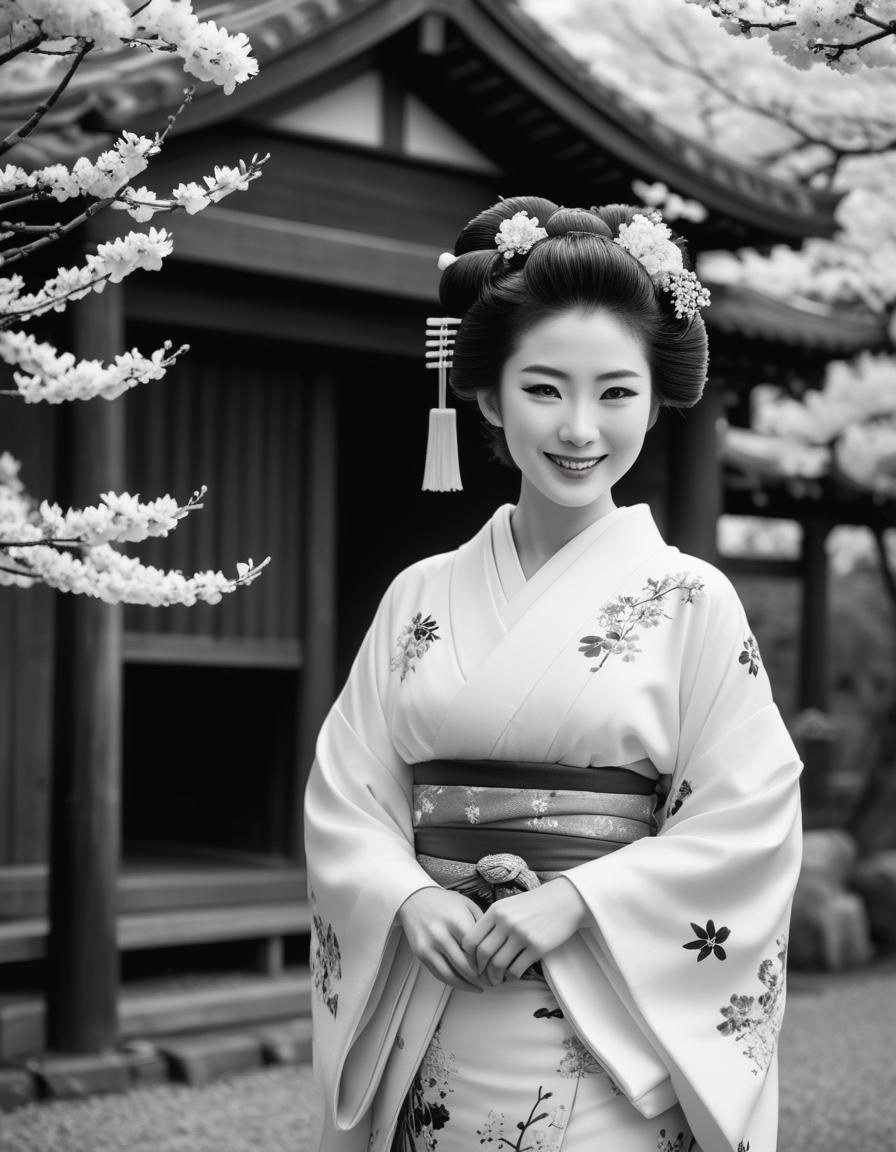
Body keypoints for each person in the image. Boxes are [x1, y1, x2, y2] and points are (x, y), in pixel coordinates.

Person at [304, 196, 803, 1152]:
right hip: (438, 1003)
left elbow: (750, 812)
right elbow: (348, 792)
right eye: (544, 389)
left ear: (655, 401)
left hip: (609, 1019)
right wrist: (406, 896)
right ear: (489, 398)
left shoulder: (692, 599)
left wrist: (579, 899)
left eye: (616, 393)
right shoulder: (419, 594)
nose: (579, 428)